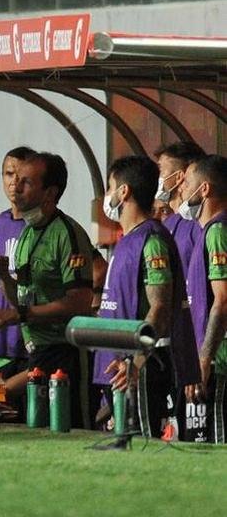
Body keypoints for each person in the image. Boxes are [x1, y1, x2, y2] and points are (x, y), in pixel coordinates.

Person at [0, 152, 96, 429]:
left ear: (49, 192)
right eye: (14, 179)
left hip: (64, 352)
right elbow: (21, 293)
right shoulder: (27, 231)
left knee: (69, 431)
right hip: (35, 351)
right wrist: (4, 277)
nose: (16, 187)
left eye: (26, 182)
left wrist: (20, 314)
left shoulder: (67, 234)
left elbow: (80, 302)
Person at [94, 155, 199, 439]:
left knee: (142, 446)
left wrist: (135, 363)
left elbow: (160, 308)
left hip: (140, 368)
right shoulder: (126, 240)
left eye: (110, 188)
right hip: (116, 367)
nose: (107, 197)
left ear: (123, 192)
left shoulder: (151, 241)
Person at [155, 141, 209, 439]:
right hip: (170, 346)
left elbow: (200, 297)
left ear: (181, 176)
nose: (157, 180)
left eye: (161, 171)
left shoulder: (202, 226)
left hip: (195, 347)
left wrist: (197, 358)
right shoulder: (168, 224)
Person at [178, 154, 227, 442]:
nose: (181, 189)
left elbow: (223, 300)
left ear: (204, 189)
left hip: (220, 361)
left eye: (186, 182)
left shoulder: (219, 231)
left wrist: (205, 357)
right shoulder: (206, 232)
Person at [0, 146, 34, 389]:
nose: (14, 182)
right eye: (9, 174)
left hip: (30, 344)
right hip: (1, 343)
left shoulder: (43, 225)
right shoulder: (1, 222)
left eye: (23, 177)